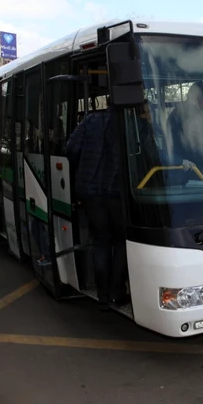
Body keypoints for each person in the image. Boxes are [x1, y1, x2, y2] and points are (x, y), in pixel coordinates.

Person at [66, 105, 127, 311]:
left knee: (100, 242)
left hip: (90, 193)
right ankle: (116, 293)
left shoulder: (90, 120)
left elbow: (71, 149)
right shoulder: (128, 121)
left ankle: (101, 296)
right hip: (117, 192)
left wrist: (84, 168)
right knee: (120, 243)